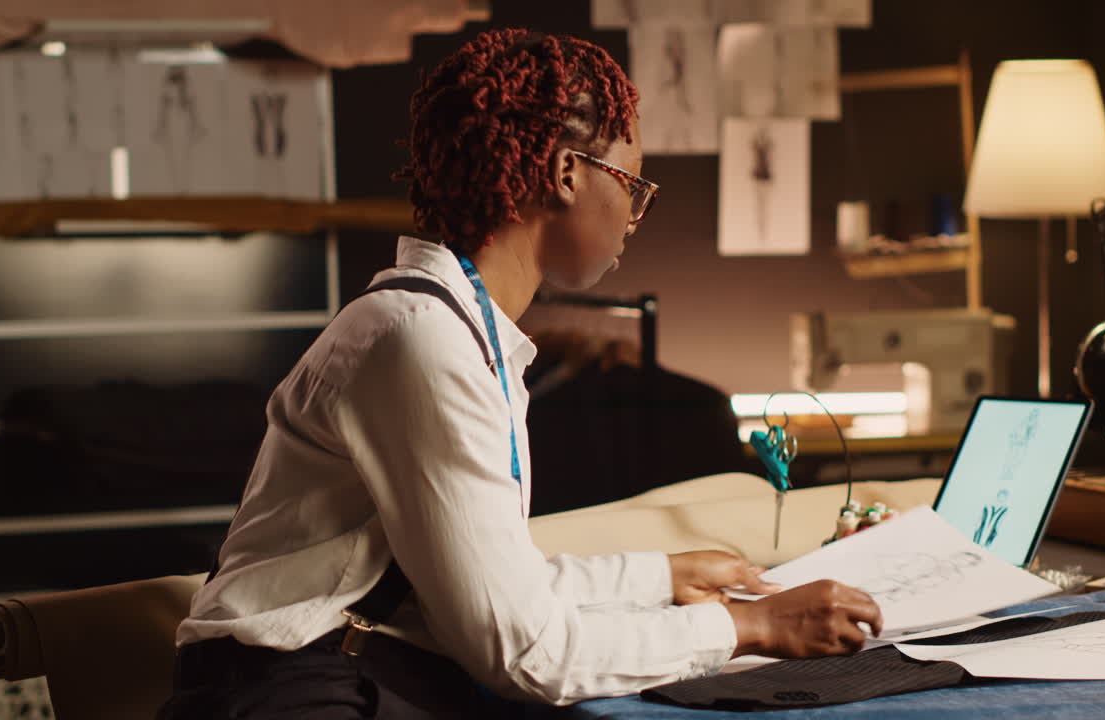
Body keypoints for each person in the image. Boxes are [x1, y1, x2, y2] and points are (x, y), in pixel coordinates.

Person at [157, 28, 882, 720]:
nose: (635, 214)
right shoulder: (423, 341)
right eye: (633, 184)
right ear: (567, 174)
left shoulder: (453, 327)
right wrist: (751, 629)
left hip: (335, 677)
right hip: (301, 696)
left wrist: (659, 578)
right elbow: (527, 652)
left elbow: (498, 592)